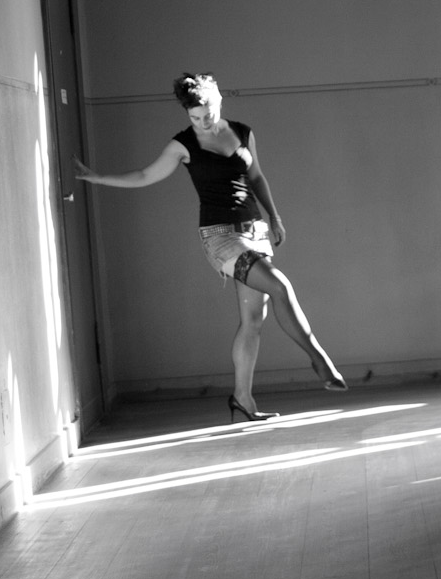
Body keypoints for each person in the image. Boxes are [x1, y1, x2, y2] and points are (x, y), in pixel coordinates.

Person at [75, 72, 347, 423]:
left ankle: (243, 399)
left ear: (219, 100)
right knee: (280, 286)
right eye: (194, 118)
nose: (202, 123)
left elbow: (256, 176)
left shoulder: (243, 132)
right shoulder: (183, 144)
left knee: (253, 321)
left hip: (255, 230)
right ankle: (319, 358)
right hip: (220, 237)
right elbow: (145, 175)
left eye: (207, 114)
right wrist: (97, 177)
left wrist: (275, 217)